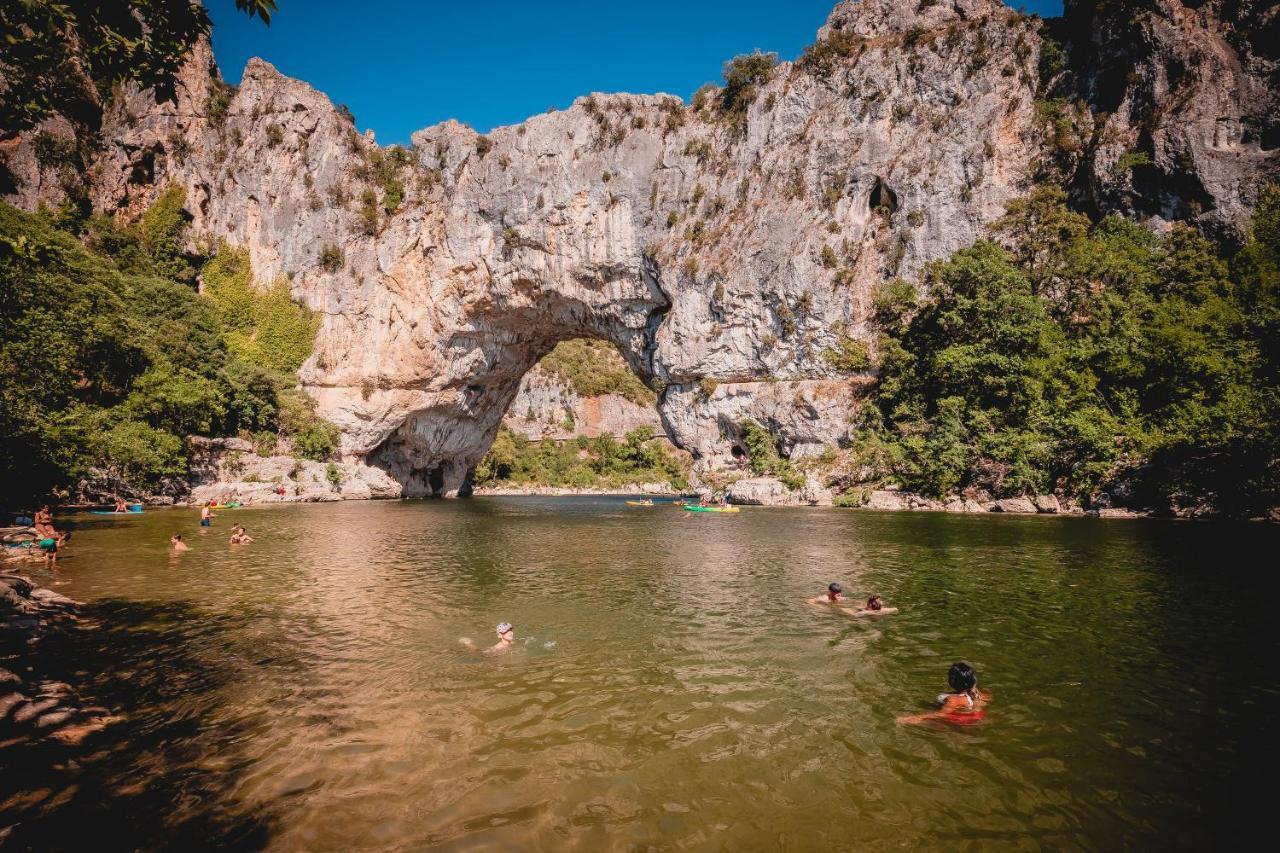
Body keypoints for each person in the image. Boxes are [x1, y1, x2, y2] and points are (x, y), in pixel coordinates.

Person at [897, 662, 991, 726]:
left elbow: (941, 714)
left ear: (952, 681)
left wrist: (917, 717)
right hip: (977, 716)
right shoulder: (976, 692)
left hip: (962, 722)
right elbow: (988, 698)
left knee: (931, 722)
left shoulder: (953, 700)